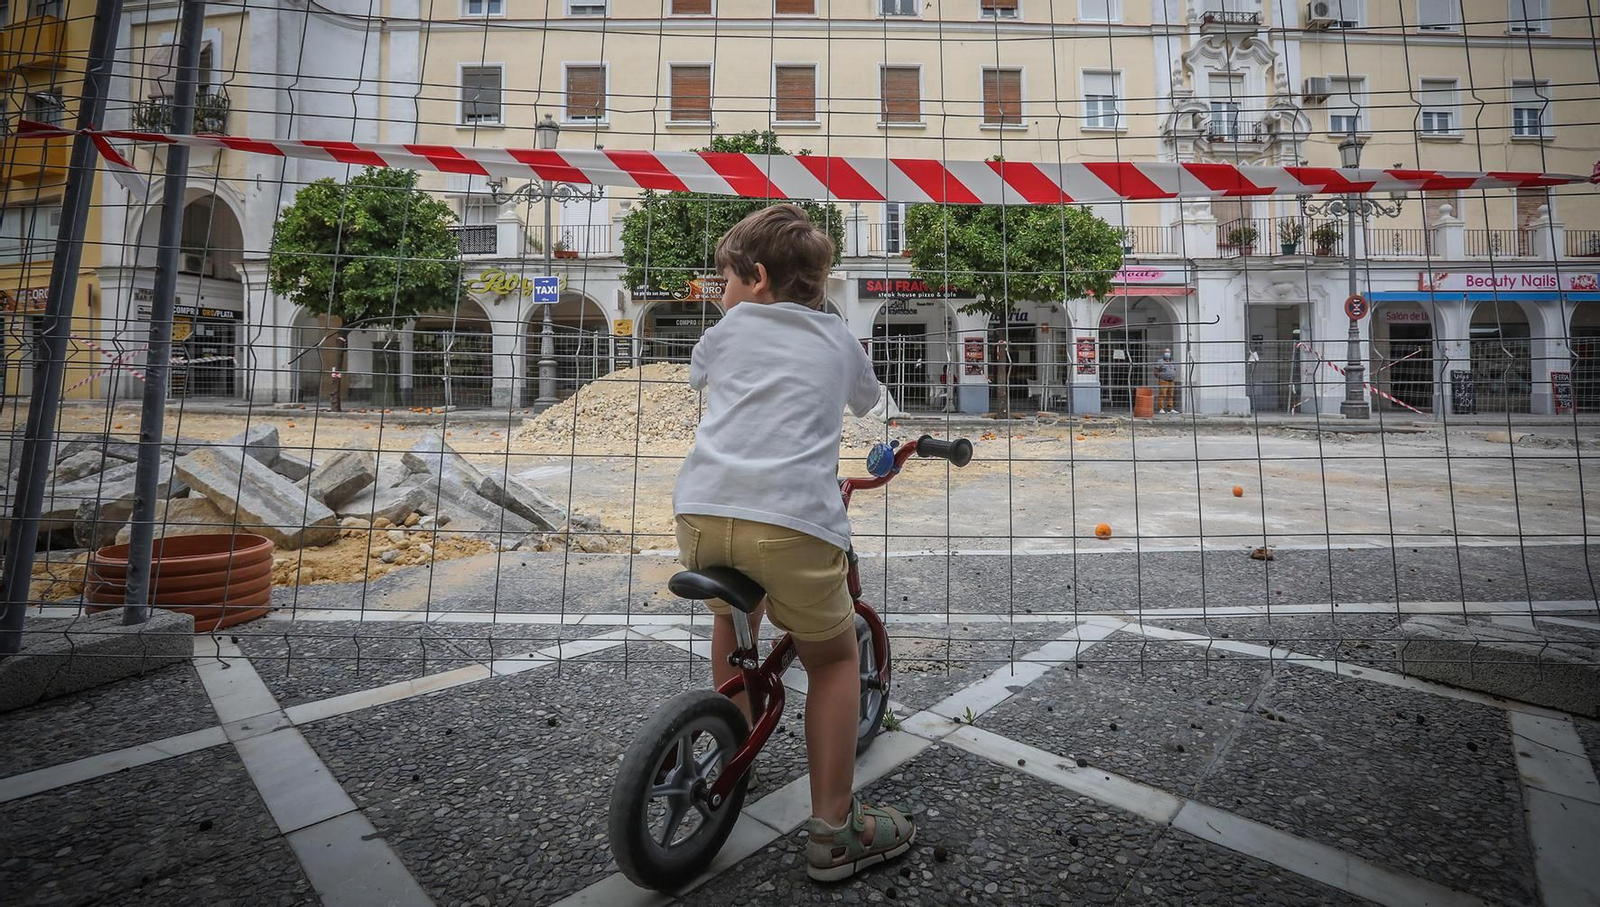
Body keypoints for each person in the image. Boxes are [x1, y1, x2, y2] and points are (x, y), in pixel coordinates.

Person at [672, 205, 916, 882]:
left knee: (731, 612)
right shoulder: (837, 336)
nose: (720, 292)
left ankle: (732, 740)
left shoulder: (726, 330)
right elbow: (869, 401)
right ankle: (835, 831)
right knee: (835, 658)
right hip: (793, 523)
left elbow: (703, 377)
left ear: (754, 279)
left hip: (700, 512)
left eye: (722, 279)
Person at [1155, 349, 1179, 413]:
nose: (1167, 353)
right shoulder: (1160, 361)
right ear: (1164, 353)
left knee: (1171, 395)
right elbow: (1156, 371)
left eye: (1168, 352)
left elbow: (1174, 370)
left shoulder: (1172, 362)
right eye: (1166, 352)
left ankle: (1170, 409)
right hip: (1163, 381)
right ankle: (1161, 409)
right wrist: (1160, 377)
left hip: (1171, 381)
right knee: (1162, 395)